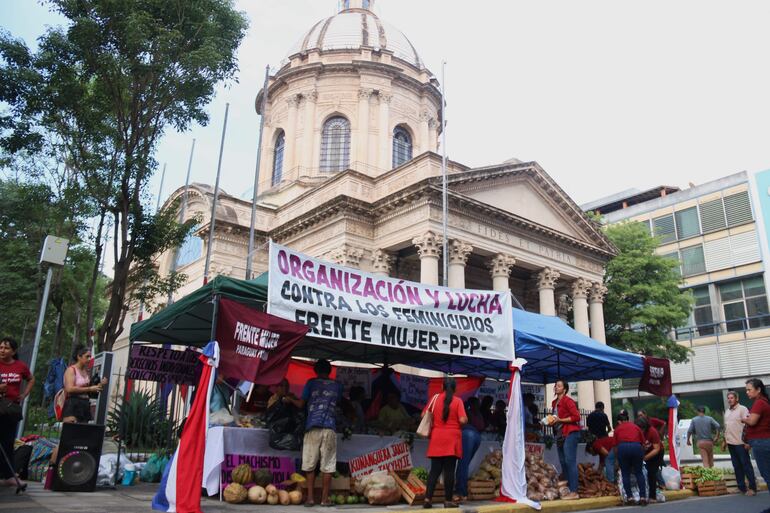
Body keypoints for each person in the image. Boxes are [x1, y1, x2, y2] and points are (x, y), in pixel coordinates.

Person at [299, 359, 343, 507]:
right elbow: (339, 403)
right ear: (330, 371)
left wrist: (289, 398)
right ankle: (325, 499)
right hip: (329, 428)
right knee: (328, 465)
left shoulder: (311, 383)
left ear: (315, 370)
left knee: (310, 463)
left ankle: (310, 498)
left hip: (312, 427)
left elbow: (301, 404)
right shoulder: (337, 386)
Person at [423, 377, 467, 509]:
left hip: (437, 438)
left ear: (442, 387)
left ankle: (427, 499)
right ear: (454, 389)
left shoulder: (435, 399)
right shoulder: (458, 401)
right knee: (449, 472)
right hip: (452, 440)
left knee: (434, 471)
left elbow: (423, 415)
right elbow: (463, 420)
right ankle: (448, 501)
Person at [0, 337, 34, 488]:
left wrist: (24, 394)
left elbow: (31, 379)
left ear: (13, 351)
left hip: (10, 408)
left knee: (7, 442)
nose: (2, 350)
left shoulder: (20, 366)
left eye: (6, 348)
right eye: (1, 347)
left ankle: (9, 476)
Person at [550, 379, 580, 500]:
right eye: (555, 385)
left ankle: (574, 491)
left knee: (570, 461)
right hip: (560, 434)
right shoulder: (554, 402)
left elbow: (576, 416)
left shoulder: (568, 401)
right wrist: (551, 421)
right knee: (563, 461)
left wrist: (560, 420)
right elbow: (556, 418)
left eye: (559, 386)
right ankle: (568, 489)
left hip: (570, 433)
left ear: (565, 389)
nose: (556, 387)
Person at [723, 390, 757, 496]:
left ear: (737, 399)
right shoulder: (727, 412)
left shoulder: (743, 409)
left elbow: (748, 426)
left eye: (732, 398)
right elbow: (727, 428)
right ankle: (741, 487)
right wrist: (724, 441)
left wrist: (747, 442)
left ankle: (752, 488)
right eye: (728, 398)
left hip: (741, 443)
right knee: (736, 466)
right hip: (731, 443)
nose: (730, 400)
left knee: (746, 465)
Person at [741, 378, 770, 499]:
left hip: (761, 443)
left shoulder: (759, 403)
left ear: (758, 390)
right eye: (746, 390)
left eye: (749, 390)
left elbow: (752, 421)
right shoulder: (764, 402)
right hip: (763, 442)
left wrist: (744, 419)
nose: (747, 392)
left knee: (767, 474)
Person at [62, 346, 106, 423]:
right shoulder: (71, 370)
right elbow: (69, 388)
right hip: (73, 404)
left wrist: (100, 384)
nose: (89, 359)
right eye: (87, 356)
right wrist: (90, 388)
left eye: (90, 357)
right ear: (79, 356)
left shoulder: (86, 371)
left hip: (85, 404)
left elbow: (90, 391)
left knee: (83, 432)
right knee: (71, 432)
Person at [614, 410, 647, 506]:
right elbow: (643, 444)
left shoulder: (617, 429)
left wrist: (618, 458)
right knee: (639, 473)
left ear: (620, 421)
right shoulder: (636, 427)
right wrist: (641, 456)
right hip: (636, 447)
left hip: (622, 448)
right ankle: (643, 497)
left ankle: (630, 497)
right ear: (628, 419)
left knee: (625, 474)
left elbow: (615, 447)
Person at [455, 397, 484, 502]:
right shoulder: (467, 411)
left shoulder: (463, 411)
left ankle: (461, 492)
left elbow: (462, 421)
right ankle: (460, 490)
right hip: (476, 435)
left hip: (467, 435)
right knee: (464, 464)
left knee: (463, 464)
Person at [637, 416, 663, 503]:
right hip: (645, 452)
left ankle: (653, 496)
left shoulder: (652, 432)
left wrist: (645, 458)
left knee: (651, 473)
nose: (641, 431)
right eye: (640, 429)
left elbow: (657, 449)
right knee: (643, 473)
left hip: (656, 453)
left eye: (643, 429)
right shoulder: (637, 431)